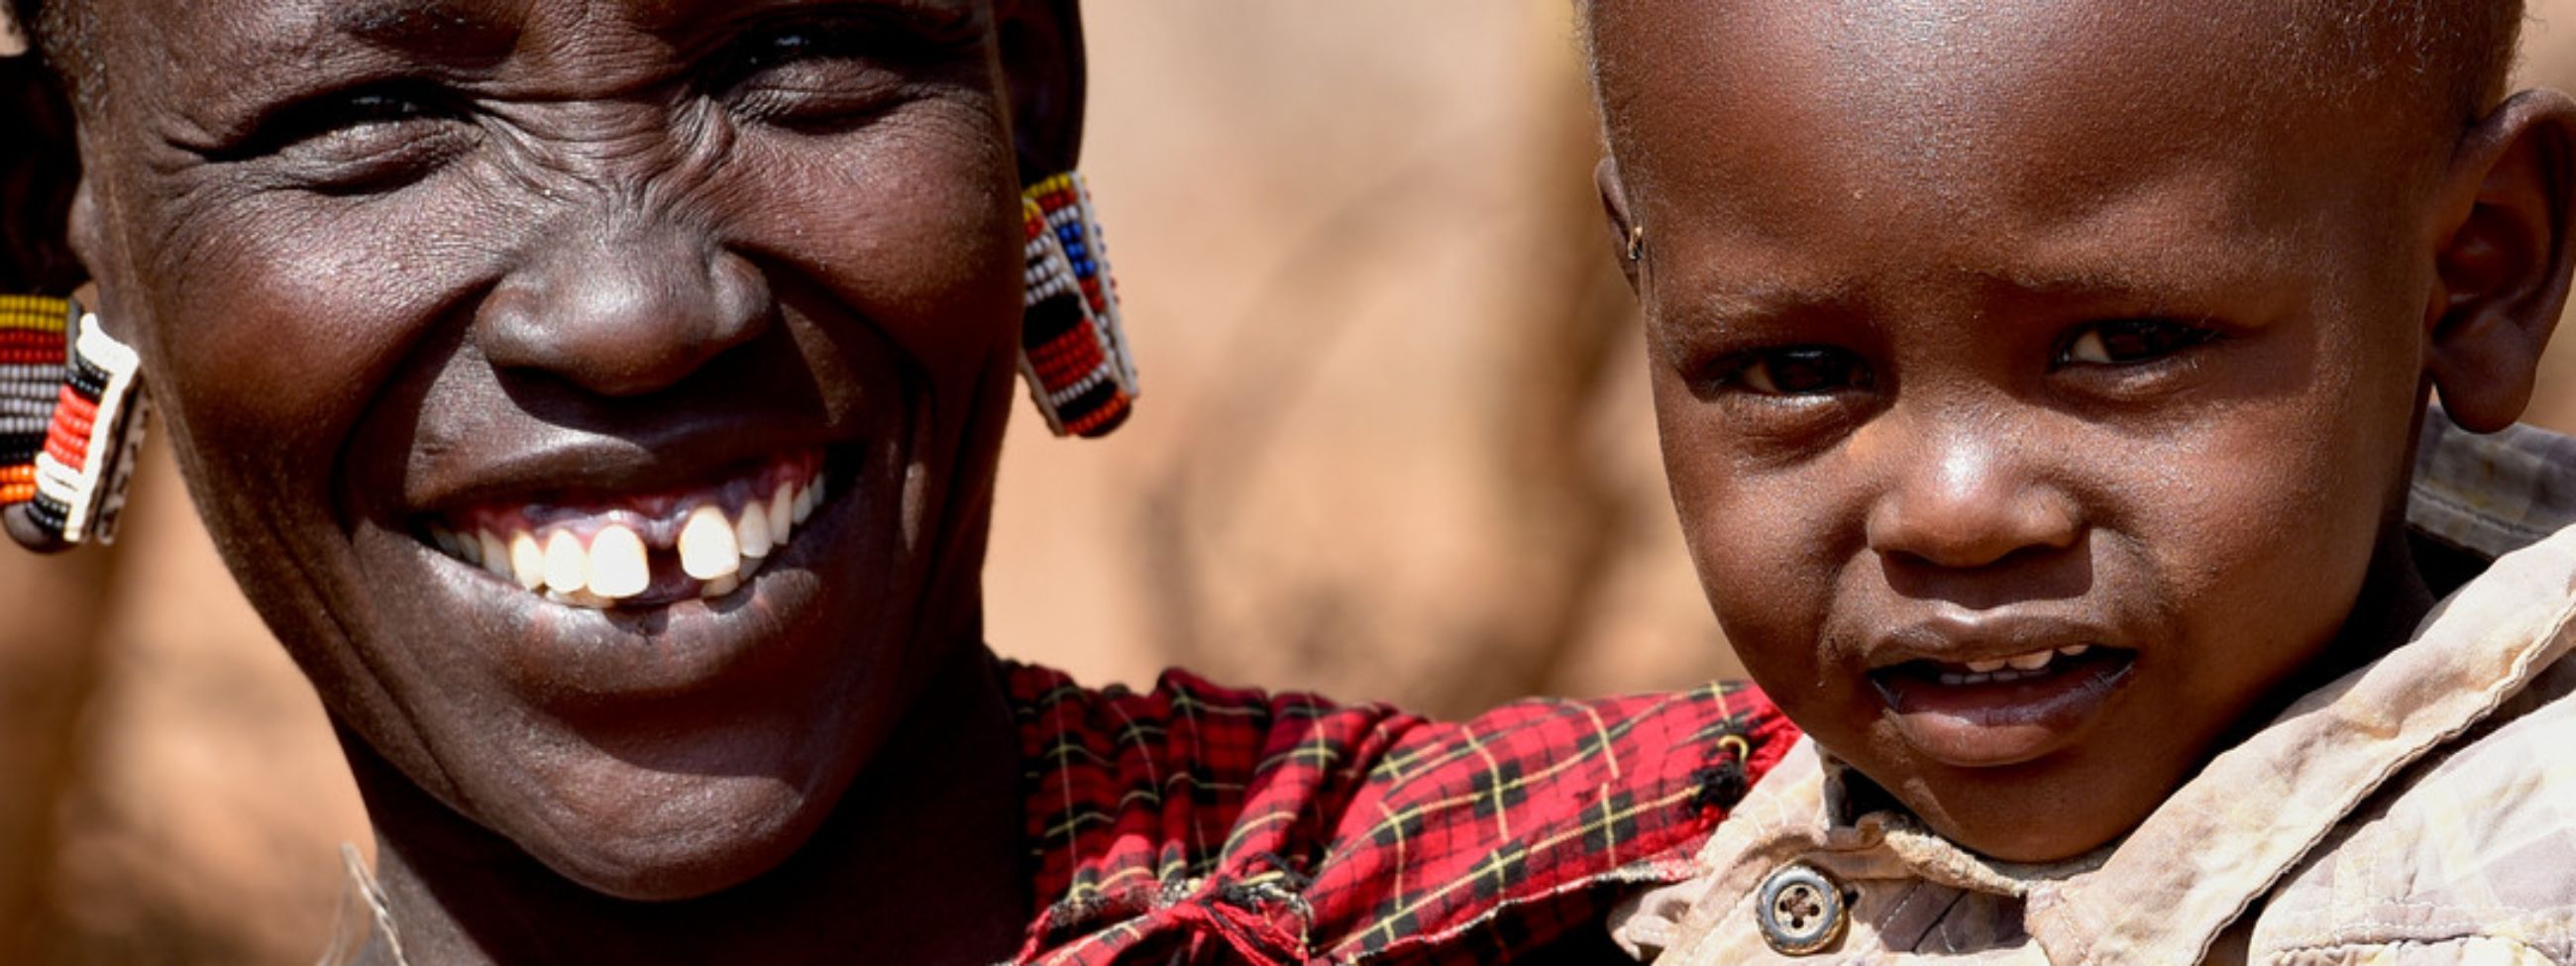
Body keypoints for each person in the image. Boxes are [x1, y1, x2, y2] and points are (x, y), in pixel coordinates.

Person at [0, 0, 1797, 962]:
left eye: (794, 50)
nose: (631, 312)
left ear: (1023, 90)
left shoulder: (1676, 906)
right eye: (360, 119)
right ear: (56, 222)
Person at [1576, 0, 2576, 961]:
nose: (1952, 513)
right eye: (1793, 372)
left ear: (2475, 273)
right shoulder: (1623, 825)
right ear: (1646, 278)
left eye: (2121, 345)